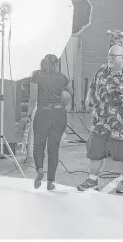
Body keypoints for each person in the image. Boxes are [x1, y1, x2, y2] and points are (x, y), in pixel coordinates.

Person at [77, 45, 123, 193]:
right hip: (100, 120)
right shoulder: (102, 70)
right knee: (96, 149)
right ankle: (92, 180)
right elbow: (92, 86)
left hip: (122, 122)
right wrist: (88, 98)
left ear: (122, 58)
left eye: (114, 56)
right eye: (109, 55)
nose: (110, 58)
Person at [24, 54, 72, 190]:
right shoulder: (62, 77)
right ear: (56, 64)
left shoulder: (36, 76)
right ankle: (50, 182)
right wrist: (63, 96)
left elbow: (33, 99)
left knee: (39, 145)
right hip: (59, 114)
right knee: (53, 148)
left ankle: (39, 169)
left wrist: (28, 115)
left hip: (43, 113)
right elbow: (70, 92)